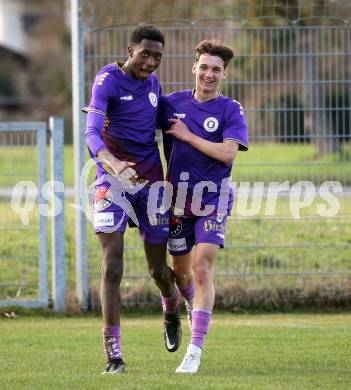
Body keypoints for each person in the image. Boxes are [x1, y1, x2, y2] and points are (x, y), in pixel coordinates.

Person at [84, 25, 182, 375]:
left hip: (150, 183)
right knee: (112, 266)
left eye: (157, 56)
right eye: (145, 54)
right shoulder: (107, 80)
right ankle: (113, 355)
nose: (151, 62)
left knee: (158, 269)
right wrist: (112, 162)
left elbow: (168, 128)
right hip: (112, 181)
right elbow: (91, 132)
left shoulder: (154, 85)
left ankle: (170, 305)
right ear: (130, 50)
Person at [158, 39, 249, 374]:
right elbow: (137, 119)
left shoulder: (230, 109)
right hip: (178, 202)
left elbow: (227, 154)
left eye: (217, 70)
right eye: (205, 67)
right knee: (179, 273)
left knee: (202, 268)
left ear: (224, 74)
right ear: (194, 68)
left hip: (214, 197)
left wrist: (186, 135)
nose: (209, 74)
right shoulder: (171, 104)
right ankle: (172, 308)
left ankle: (194, 350)